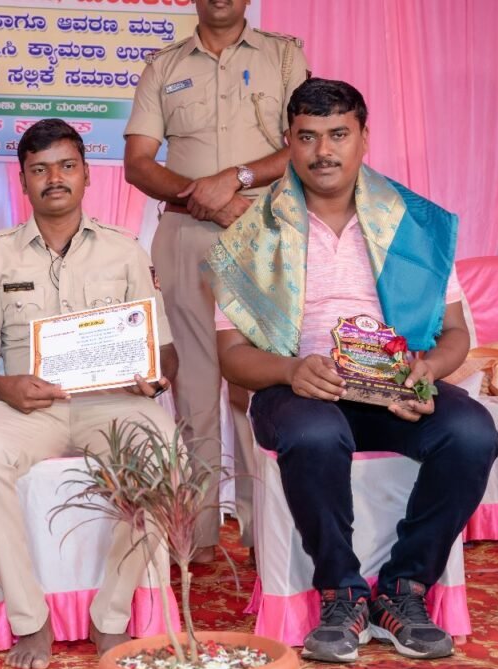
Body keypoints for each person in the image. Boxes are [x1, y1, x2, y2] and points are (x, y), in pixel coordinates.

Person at [208, 78, 498, 663]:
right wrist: (291, 370)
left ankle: (404, 589)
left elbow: (454, 334)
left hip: (394, 392)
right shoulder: (250, 235)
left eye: (339, 134)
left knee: (472, 433)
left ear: (365, 137)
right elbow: (231, 353)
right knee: (315, 432)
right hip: (299, 389)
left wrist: (427, 370)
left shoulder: (413, 224)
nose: (324, 151)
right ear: (288, 142)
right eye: (308, 137)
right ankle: (341, 593)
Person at [0, 118, 179, 669]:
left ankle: (111, 614)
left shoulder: (125, 251)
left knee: (163, 452)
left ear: (87, 175)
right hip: (28, 407)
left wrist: (154, 377)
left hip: (115, 402)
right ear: (23, 181)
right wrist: (3, 386)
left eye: (67, 166)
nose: (54, 178)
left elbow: (165, 352)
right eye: (40, 169)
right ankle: (30, 618)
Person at [123, 0, 310, 559]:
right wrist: (204, 199)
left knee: (260, 389)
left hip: (265, 231)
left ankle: (265, 535)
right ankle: (198, 536)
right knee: (195, 388)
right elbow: (139, 163)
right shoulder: (163, 65)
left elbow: (305, 143)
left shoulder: (283, 58)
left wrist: (236, 179)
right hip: (185, 233)